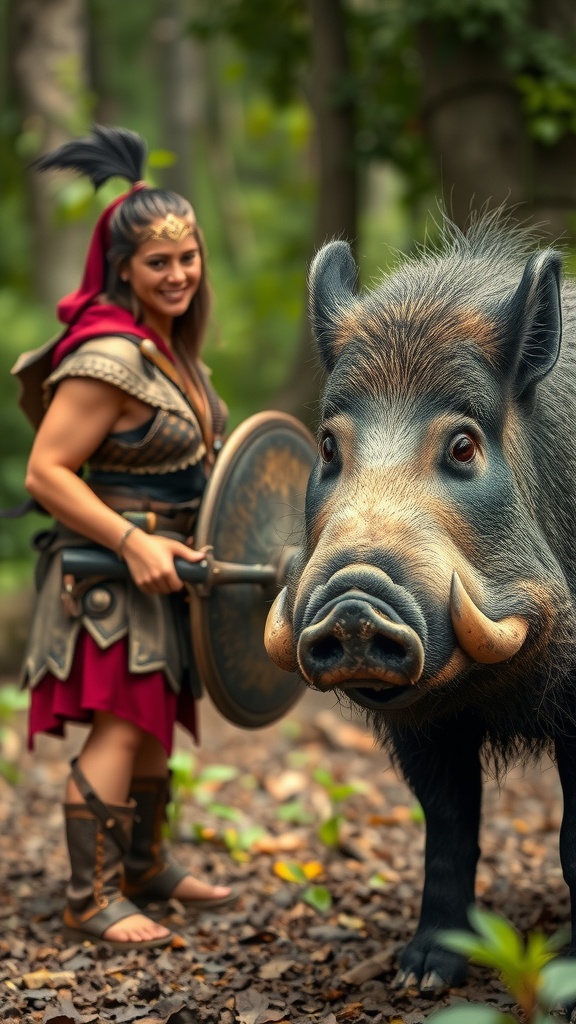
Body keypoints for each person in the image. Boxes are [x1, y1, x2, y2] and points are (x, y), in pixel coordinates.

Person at [15, 125, 236, 951]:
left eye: (189, 257)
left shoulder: (171, 355)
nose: (178, 274)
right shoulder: (108, 357)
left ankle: (143, 866)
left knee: (149, 720)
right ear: (123, 270)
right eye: (158, 262)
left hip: (167, 570)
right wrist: (133, 542)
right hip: (110, 569)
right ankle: (92, 897)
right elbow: (45, 473)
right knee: (121, 721)